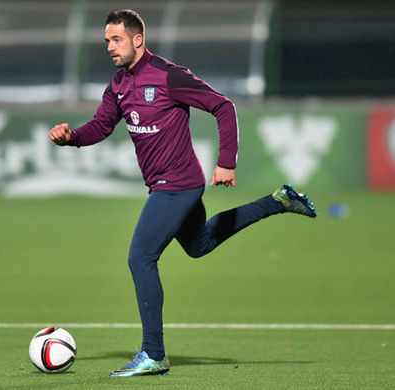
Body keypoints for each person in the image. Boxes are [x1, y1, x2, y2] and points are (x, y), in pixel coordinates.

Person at [48, 9, 316, 377]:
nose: (109, 46)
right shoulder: (118, 84)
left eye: (116, 39)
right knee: (199, 244)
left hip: (176, 184)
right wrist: (71, 138)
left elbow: (224, 106)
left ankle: (154, 354)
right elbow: (101, 125)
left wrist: (226, 162)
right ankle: (278, 201)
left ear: (137, 39)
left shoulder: (169, 75)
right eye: (107, 40)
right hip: (170, 184)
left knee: (141, 257)